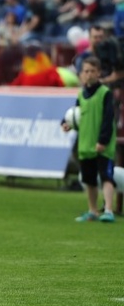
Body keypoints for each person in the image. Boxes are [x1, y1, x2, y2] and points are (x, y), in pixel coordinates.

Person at [62, 56, 116, 223]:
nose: (89, 74)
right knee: (89, 180)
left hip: (102, 146)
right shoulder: (81, 94)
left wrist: (103, 140)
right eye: (86, 71)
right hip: (85, 145)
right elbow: (75, 115)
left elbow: (108, 119)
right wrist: (66, 123)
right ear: (80, 74)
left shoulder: (105, 93)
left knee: (106, 177)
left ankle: (108, 210)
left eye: (93, 71)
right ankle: (92, 210)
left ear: (99, 73)